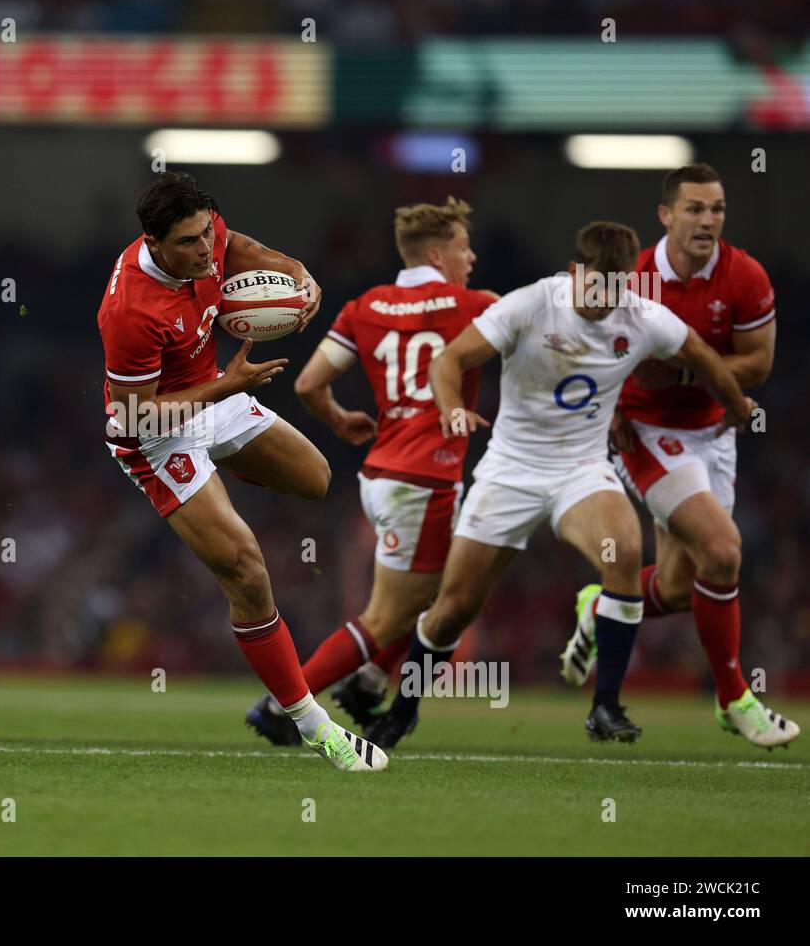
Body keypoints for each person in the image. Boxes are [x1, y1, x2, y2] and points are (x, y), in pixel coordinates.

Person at [367, 220, 753, 749]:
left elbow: (705, 359)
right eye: (596, 286)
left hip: (581, 471)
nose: (603, 301)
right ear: (574, 272)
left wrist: (736, 408)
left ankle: (606, 707)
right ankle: (402, 710)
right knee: (453, 608)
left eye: (616, 289)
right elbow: (450, 358)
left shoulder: (641, 318)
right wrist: (453, 407)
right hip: (510, 470)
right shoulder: (531, 304)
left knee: (624, 551)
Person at [99, 171, 385, 771]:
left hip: (216, 394)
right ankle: (313, 724)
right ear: (153, 244)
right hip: (155, 433)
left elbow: (240, 247)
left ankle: (219, 469)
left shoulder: (206, 233)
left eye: (206, 233)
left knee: (316, 478)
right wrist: (226, 384)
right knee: (247, 570)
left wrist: (297, 273)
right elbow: (133, 414)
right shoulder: (131, 310)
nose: (205, 250)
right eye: (188, 243)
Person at [559, 164, 798, 749]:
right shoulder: (634, 275)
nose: (707, 220)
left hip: (713, 435)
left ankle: (602, 602)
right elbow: (580, 342)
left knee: (677, 582)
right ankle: (734, 698)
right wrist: (608, 406)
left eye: (716, 209)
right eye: (694, 208)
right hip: (646, 430)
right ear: (665, 216)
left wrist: (691, 370)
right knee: (721, 551)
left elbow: (758, 364)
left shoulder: (744, 276)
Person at [245, 197, 497, 745]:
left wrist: (340, 420)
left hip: (381, 471)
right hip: (425, 479)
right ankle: (284, 706)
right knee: (392, 616)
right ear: (437, 251)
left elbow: (310, 385)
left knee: (429, 601)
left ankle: (366, 682)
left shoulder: (366, 306)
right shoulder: (473, 305)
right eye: (462, 246)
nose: (471, 257)